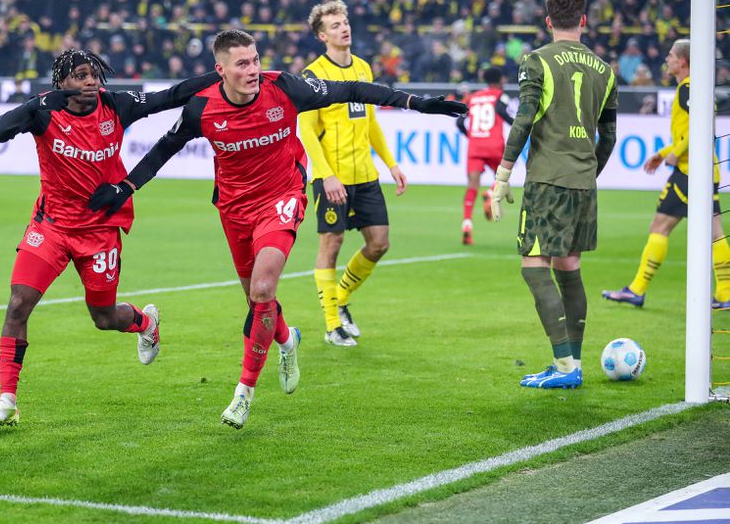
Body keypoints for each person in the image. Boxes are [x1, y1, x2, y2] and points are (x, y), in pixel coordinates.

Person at [89, 29, 466, 429]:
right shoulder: (202, 109)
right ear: (221, 70)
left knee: (264, 289)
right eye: (243, 64)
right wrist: (126, 186)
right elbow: (166, 147)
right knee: (258, 303)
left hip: (282, 198)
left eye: (255, 60)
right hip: (234, 209)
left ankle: (244, 393)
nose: (253, 69)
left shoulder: (285, 87)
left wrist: (415, 103)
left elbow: (352, 88)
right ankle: (287, 340)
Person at [0, 49, 220, 426]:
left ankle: (146, 323)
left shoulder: (116, 106)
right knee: (17, 304)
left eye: (93, 74)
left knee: (104, 318)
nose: (91, 81)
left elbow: (170, 97)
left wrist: (217, 75)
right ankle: (8, 398)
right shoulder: (44, 111)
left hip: (100, 231)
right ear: (63, 82)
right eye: (81, 75)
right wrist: (39, 103)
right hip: (52, 227)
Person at [490, 0, 618, 389]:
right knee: (569, 266)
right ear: (583, 20)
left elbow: (523, 119)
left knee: (534, 266)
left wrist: (503, 174)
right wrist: (587, 174)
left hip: (547, 179)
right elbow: (610, 136)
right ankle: (572, 364)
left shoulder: (537, 61)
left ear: (548, 21)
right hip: (583, 180)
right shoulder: (606, 70)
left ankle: (564, 366)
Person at [298, 0, 406, 348]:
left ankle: (341, 298)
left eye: (345, 22)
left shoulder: (362, 68)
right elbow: (307, 131)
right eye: (335, 25)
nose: (344, 28)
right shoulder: (312, 76)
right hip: (333, 177)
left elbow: (371, 121)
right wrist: (326, 175)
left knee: (379, 244)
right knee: (332, 243)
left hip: (365, 174)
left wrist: (390, 163)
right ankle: (332, 325)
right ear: (321, 35)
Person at [602, 39, 730, 309]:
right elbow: (691, 131)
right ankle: (726, 292)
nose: (667, 60)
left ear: (683, 61)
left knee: (659, 226)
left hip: (689, 172)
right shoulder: (697, 89)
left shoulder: (688, 89)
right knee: (715, 233)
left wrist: (676, 152)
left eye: (671, 55)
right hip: (705, 170)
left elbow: (701, 129)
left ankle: (636, 289)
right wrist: (664, 152)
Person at [455, 66, 514, 245]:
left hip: (475, 146)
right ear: (501, 79)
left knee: (472, 186)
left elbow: (459, 122)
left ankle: (467, 225)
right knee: (502, 178)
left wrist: (471, 136)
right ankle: (490, 193)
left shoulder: (472, 97)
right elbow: (502, 112)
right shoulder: (500, 95)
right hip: (494, 145)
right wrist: (518, 125)